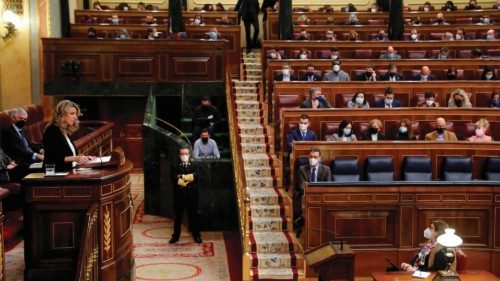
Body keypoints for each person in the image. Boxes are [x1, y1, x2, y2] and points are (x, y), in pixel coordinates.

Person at [42, 100, 95, 172]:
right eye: (72, 113)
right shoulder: (52, 130)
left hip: (68, 171)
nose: (75, 117)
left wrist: (83, 158)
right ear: (62, 114)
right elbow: (52, 158)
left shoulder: (64, 131)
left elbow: (70, 155)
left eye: (76, 114)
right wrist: (75, 158)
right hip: (55, 174)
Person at [295, 148, 331, 236]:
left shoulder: (326, 170)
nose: (313, 159)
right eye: (311, 157)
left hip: (322, 197)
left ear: (320, 158)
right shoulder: (302, 169)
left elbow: (328, 186)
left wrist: (318, 195)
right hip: (306, 196)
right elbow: (301, 187)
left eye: (315, 157)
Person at [170, 147, 202, 244]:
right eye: (182, 154)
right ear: (179, 155)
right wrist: (189, 178)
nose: (184, 156)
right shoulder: (175, 165)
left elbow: (197, 177)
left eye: (186, 154)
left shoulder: (195, 165)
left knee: (193, 216)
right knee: (178, 217)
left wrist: (182, 176)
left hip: (192, 195)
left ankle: (197, 235)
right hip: (179, 196)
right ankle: (175, 236)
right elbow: (174, 179)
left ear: (189, 155)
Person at [2, 108, 44, 181]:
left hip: (30, 159)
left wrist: (41, 150)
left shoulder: (21, 129)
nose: (23, 121)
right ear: (13, 118)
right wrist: (36, 155)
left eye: (25, 119)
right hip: (21, 163)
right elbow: (17, 149)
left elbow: (29, 144)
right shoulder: (7, 131)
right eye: (21, 118)